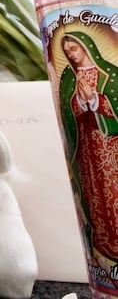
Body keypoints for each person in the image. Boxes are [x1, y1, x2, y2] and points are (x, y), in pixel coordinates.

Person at [59, 31, 118, 263]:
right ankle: (103, 240)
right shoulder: (68, 78)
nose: (71, 55)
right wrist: (80, 102)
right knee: (94, 192)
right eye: (66, 52)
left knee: (113, 191)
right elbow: (67, 108)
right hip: (85, 146)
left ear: (87, 46)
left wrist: (95, 99)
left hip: (110, 145)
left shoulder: (109, 74)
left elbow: (115, 104)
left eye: (74, 48)